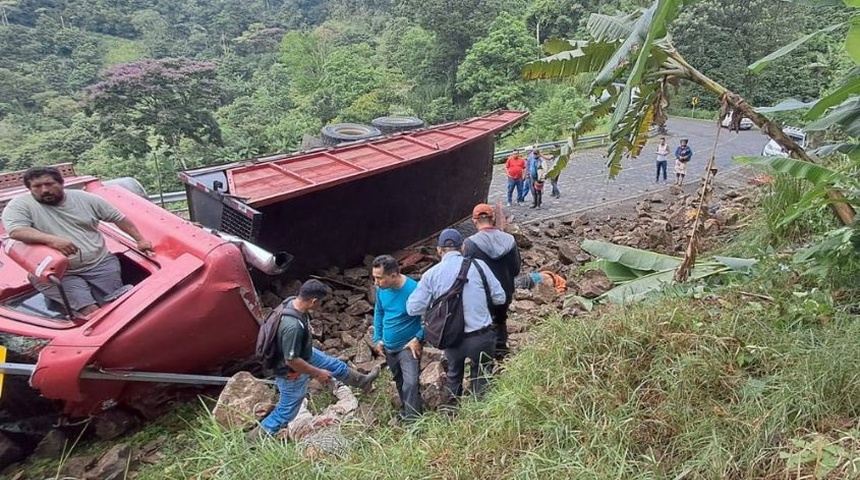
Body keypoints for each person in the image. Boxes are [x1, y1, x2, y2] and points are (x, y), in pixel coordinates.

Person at [1, 166, 153, 316]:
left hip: (99, 263)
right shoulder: (19, 205)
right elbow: (16, 231)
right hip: (60, 274)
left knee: (118, 306)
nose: (44, 190)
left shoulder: (85, 199)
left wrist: (140, 239)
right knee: (92, 313)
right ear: (30, 188)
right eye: (37, 186)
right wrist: (52, 240)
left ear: (61, 183)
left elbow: (118, 218)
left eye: (49, 184)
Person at [247, 279, 380, 442]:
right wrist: (317, 373)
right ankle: (253, 440)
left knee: (335, 365)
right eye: (321, 302)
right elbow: (292, 360)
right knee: (287, 410)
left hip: (304, 351)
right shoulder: (292, 327)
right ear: (314, 301)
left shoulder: (291, 301)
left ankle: (362, 381)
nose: (321, 306)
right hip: (291, 370)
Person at [407, 229, 505, 404]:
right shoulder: (479, 266)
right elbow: (500, 297)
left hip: (452, 337)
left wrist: (434, 307)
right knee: (482, 377)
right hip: (481, 336)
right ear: (463, 247)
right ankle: (480, 416)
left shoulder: (431, 275)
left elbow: (413, 308)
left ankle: (453, 415)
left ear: (439, 250)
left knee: (454, 376)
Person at [371, 254, 424, 425]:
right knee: (400, 380)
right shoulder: (381, 290)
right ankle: (406, 410)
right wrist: (378, 338)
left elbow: (429, 317)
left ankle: (414, 423)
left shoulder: (414, 289)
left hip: (407, 345)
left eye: (379, 278)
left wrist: (418, 337)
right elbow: (379, 312)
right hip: (388, 345)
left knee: (410, 382)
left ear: (393, 275)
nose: (376, 283)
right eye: (374, 278)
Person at [463, 204, 521, 359]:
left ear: (474, 221)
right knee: (501, 320)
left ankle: (486, 358)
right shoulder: (509, 240)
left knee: (484, 325)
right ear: (493, 218)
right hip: (506, 291)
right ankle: (502, 354)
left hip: (482, 295)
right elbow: (516, 270)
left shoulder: (470, 244)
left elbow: (465, 274)